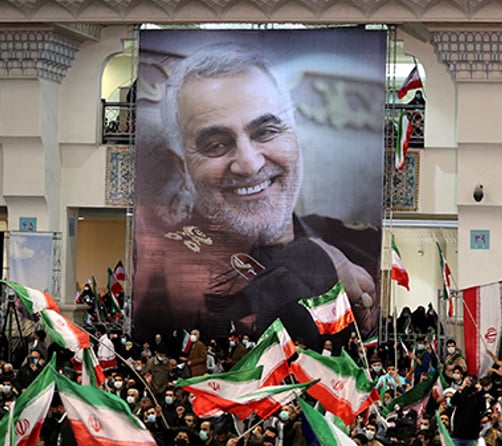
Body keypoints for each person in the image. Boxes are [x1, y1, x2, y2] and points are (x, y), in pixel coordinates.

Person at [133, 43, 379, 344]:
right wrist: (311, 263)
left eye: (266, 132)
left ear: (295, 136)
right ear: (182, 168)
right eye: (216, 145)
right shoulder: (160, 273)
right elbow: (218, 336)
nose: (249, 164)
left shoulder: (364, 246)